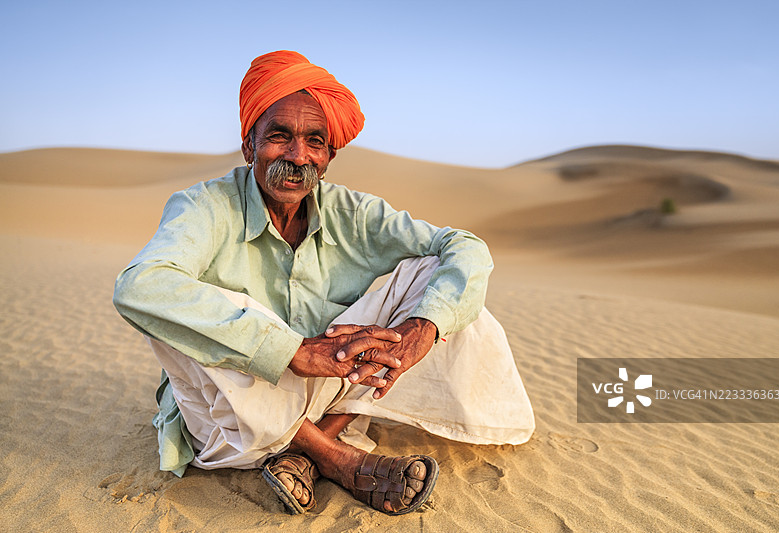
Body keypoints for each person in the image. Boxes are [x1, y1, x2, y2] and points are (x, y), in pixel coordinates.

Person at [113, 50, 534, 516]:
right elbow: (139, 286)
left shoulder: (353, 214)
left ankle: (305, 450)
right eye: (279, 136)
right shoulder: (205, 207)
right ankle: (339, 460)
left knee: (436, 281)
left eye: (315, 141)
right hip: (228, 409)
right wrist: (290, 351)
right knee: (211, 306)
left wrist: (423, 329)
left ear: (330, 155)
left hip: (332, 384)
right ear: (249, 145)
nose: (298, 156)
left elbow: (464, 245)